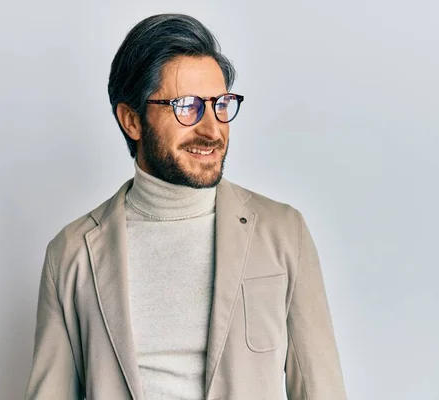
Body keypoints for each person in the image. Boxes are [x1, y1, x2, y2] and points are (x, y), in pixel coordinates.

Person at [25, 13, 346, 400]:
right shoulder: (72, 253)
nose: (212, 129)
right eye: (187, 106)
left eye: (220, 105)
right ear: (132, 120)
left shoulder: (283, 232)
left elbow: (321, 389)